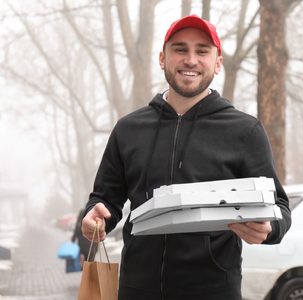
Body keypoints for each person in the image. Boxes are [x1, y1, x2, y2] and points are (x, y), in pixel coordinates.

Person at [81, 14, 291, 300]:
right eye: (180, 49)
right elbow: (105, 198)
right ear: (162, 59)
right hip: (136, 289)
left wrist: (270, 228)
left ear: (217, 63)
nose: (190, 59)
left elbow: (280, 206)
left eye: (202, 51)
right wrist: (95, 213)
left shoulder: (245, 131)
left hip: (213, 291)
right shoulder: (128, 129)